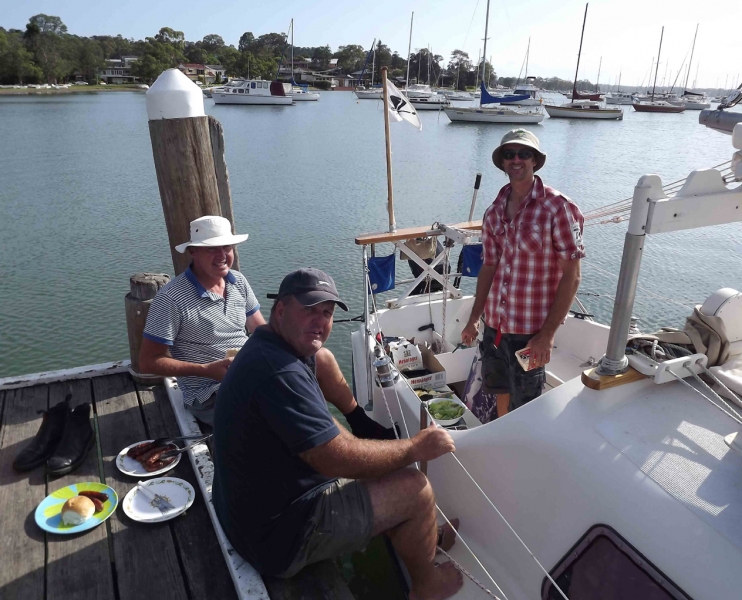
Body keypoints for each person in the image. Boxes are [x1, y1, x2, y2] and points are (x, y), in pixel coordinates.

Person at [212, 268, 463, 600]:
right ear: (281, 310)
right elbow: (336, 458)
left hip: (251, 509)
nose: (320, 321)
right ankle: (425, 586)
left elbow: (332, 441)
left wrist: (370, 434)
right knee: (415, 489)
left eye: (327, 313)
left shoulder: (268, 346)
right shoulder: (279, 372)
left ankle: (419, 534)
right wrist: (415, 447)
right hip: (277, 538)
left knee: (328, 369)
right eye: (309, 309)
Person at [140, 215, 394, 439]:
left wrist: (288, 350)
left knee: (322, 358)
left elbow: (261, 329)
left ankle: (360, 423)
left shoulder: (237, 281)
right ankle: (335, 448)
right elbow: (149, 361)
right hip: (210, 393)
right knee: (292, 399)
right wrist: (207, 370)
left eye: (227, 246)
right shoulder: (171, 299)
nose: (222, 255)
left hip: (251, 366)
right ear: (193, 252)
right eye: (211, 249)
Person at [461, 129, 585, 422]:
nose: (516, 160)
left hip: (530, 335)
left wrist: (547, 335)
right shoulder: (493, 212)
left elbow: (573, 275)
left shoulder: (558, 208)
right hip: (494, 328)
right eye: (509, 154)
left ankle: (519, 450)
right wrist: (473, 319)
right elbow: (489, 267)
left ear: (535, 160)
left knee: (527, 403)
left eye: (523, 154)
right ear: (502, 162)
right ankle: (503, 437)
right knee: (499, 389)